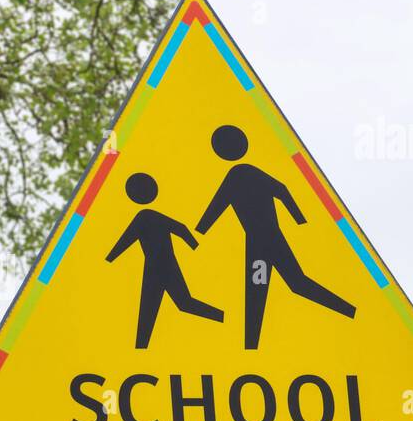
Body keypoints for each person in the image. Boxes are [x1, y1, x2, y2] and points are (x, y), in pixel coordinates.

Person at [196, 124, 355, 350]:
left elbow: (218, 205)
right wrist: (297, 217)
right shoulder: (248, 173)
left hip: (260, 242)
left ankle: (350, 312)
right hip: (269, 238)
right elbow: (280, 190)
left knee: (267, 289)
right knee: (282, 286)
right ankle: (251, 347)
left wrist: (200, 231)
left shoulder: (237, 175)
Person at [106, 172, 223, 349]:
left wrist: (110, 259)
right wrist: (195, 247)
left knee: (161, 308)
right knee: (175, 305)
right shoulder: (151, 216)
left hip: (158, 267)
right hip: (163, 266)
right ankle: (140, 349)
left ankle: (223, 317)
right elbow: (181, 229)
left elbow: (126, 240)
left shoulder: (144, 217)